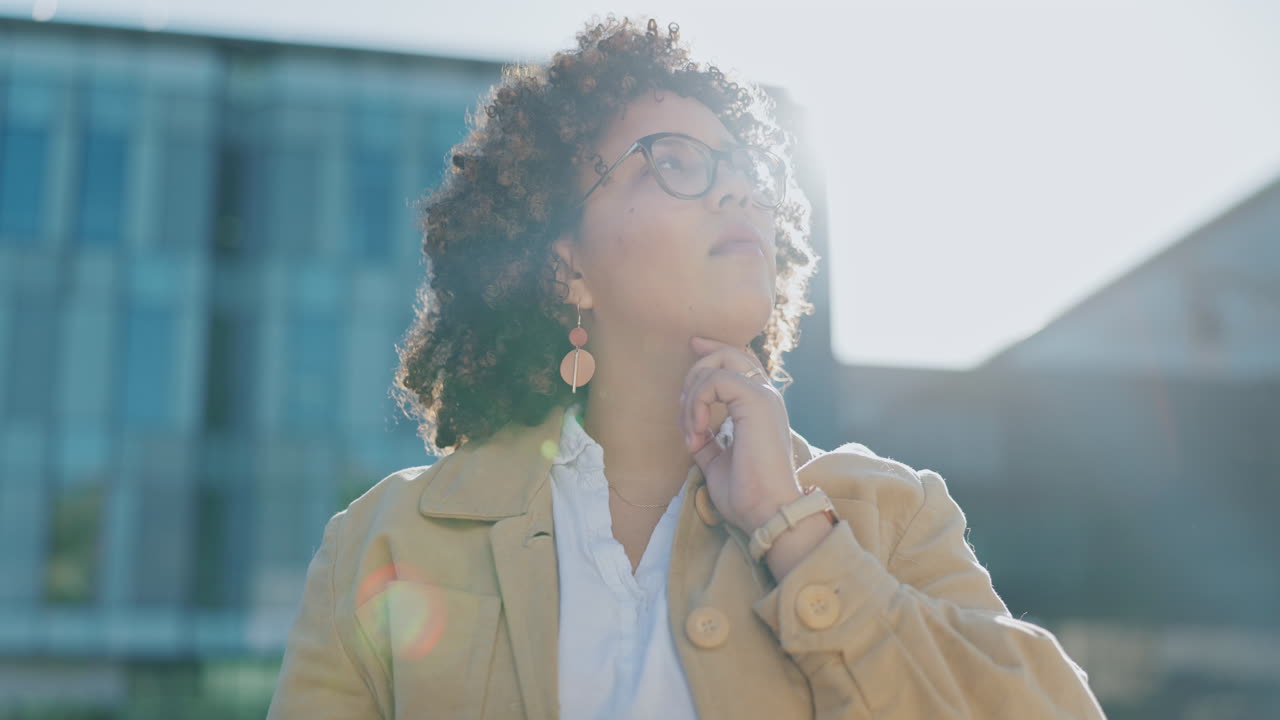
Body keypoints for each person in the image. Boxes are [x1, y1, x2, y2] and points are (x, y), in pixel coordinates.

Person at [266, 14, 1106, 720]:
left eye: (748, 172)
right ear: (566, 267)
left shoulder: (888, 514)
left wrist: (791, 530)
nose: (739, 193)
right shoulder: (385, 543)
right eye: (675, 161)